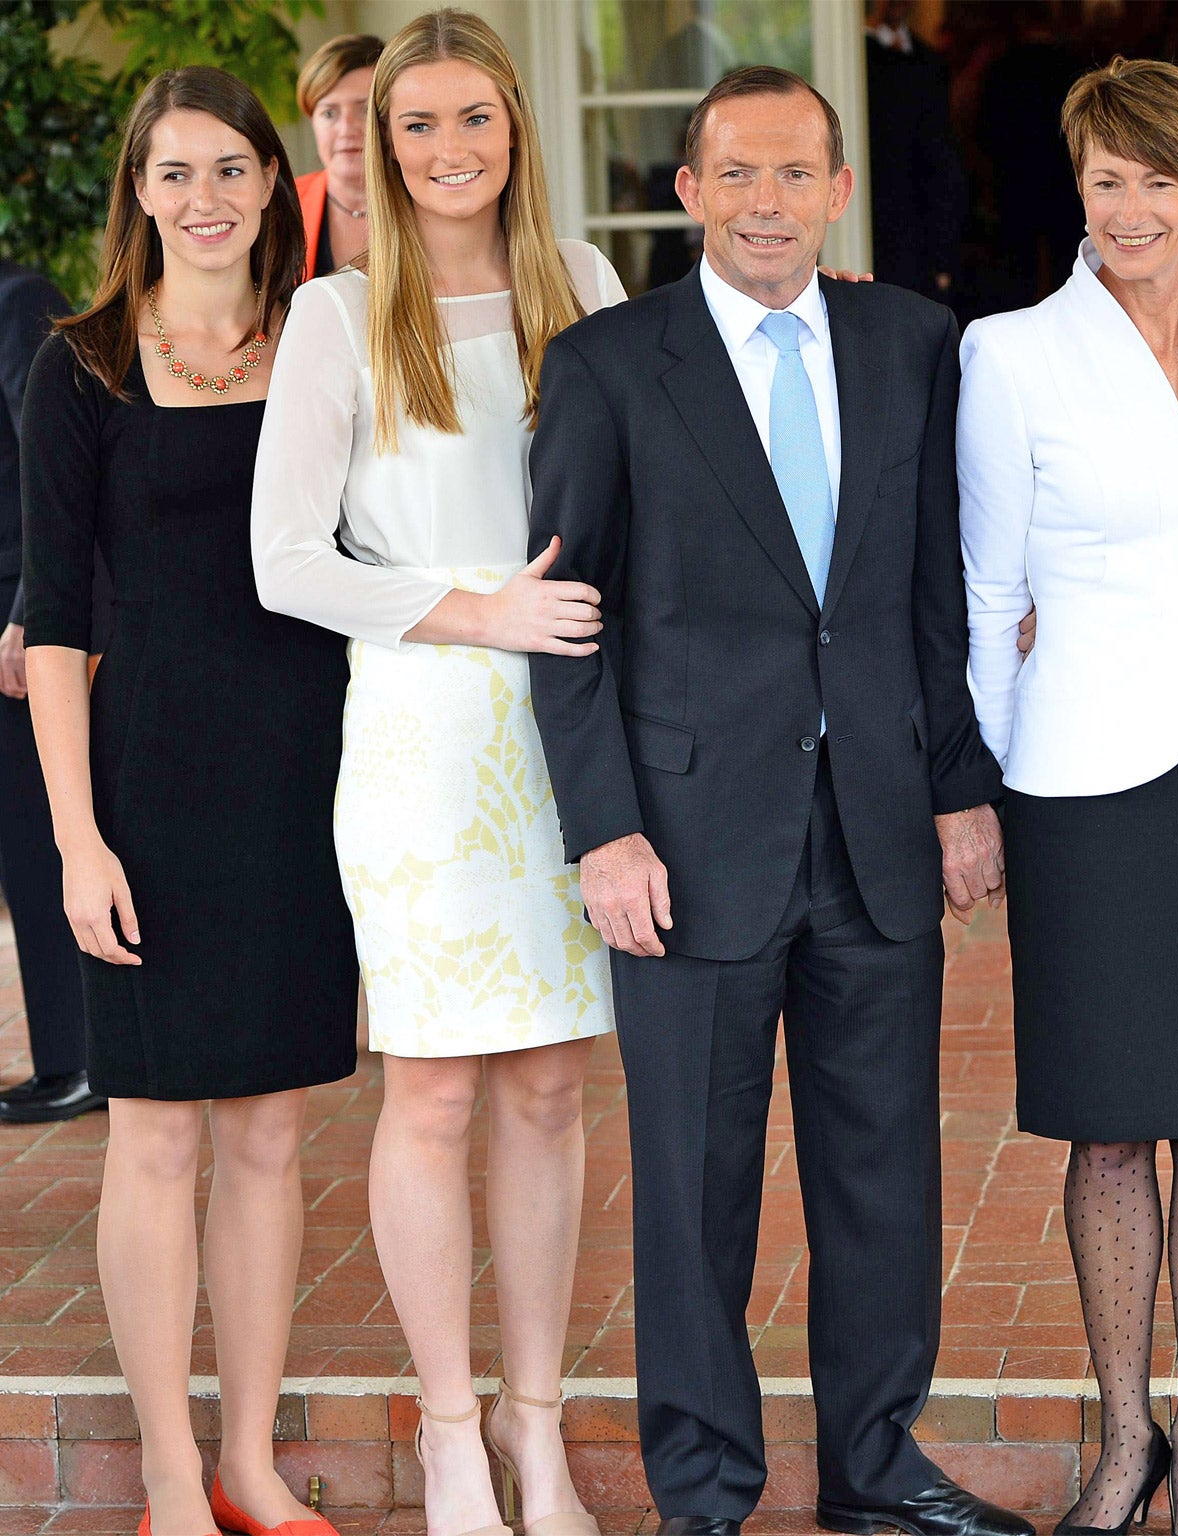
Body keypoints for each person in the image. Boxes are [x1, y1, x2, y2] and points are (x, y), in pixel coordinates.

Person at [525, 63, 1029, 1536]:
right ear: (688, 193)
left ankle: (876, 1468)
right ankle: (705, 1489)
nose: (764, 201)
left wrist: (958, 787)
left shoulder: (910, 340)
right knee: (693, 1193)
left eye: (792, 173)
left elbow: (936, 589)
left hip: (875, 829)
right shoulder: (611, 363)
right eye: (734, 173)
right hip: (683, 844)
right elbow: (570, 620)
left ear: (837, 190)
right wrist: (603, 828)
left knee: (883, 1176)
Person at [249, 12, 621, 1536]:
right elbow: (282, 563)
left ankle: (538, 1427)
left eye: (474, 120)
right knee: (433, 1089)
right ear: (378, 143)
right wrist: (475, 610)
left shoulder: (585, 287)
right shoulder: (336, 317)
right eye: (418, 126)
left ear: (515, 130)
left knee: (547, 1084)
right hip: (419, 735)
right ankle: (452, 1432)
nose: (448, 150)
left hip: (571, 734)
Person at [957, 57, 1178, 1536]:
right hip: (1083, 773)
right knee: (1107, 1128)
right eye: (1107, 178)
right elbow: (989, 595)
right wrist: (973, 790)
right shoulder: (1012, 353)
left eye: (1161, 178)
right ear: (1079, 189)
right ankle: (1123, 1443)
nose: (1132, 208)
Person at [19, 65, 358, 1536]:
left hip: (311, 779)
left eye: (232, 169)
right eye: (176, 172)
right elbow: (51, 627)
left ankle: (250, 1465)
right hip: (146, 783)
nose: (206, 198)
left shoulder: (332, 337)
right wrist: (78, 838)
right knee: (155, 1131)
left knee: (271, 1133)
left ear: (275, 185)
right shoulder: (78, 364)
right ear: (138, 193)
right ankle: (170, 1472)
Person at [0, 258, 101, 1126]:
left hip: (12, 624)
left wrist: (29, 615)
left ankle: (73, 1060)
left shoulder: (20, 300)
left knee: (35, 852)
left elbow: (52, 475)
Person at [865, 0, 968, 304]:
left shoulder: (929, 61)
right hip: (874, 224)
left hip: (921, 236)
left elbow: (942, 159)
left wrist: (943, 256)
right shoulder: (853, 60)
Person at [293, 33, 383, 278]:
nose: (346, 129)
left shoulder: (427, 204)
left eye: (364, 110)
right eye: (329, 113)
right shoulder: (283, 206)